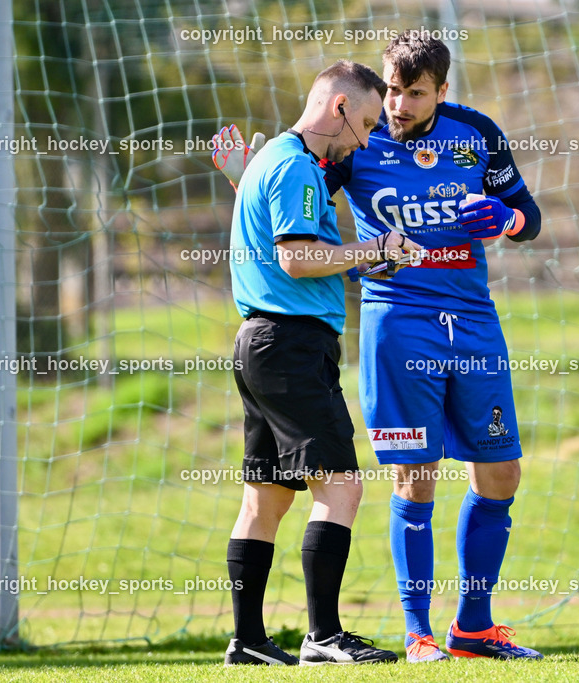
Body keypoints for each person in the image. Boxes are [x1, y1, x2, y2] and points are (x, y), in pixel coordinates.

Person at [214, 32, 543, 662]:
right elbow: (291, 196)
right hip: (396, 322)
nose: (394, 107)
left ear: (441, 92)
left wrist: (507, 222)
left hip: (474, 321)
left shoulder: (476, 134)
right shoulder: (353, 143)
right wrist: (244, 180)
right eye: (389, 91)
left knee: (501, 472)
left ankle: (473, 626)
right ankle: (414, 633)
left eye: (413, 94)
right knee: (411, 478)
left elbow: (529, 216)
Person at [221, 59, 422, 666]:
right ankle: (324, 637)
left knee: (266, 500)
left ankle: (248, 641)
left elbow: (295, 244)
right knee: (343, 486)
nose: (364, 139)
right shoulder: (296, 166)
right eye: (363, 123)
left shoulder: (275, 163)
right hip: (290, 348)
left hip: (258, 344)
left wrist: (360, 259)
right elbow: (298, 259)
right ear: (338, 109)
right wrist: (375, 248)